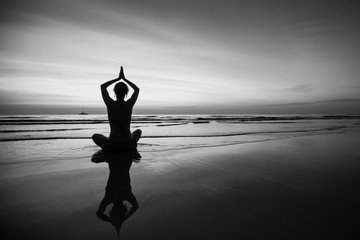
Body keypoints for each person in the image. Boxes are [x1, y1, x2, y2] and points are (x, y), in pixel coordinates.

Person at [92, 66, 141, 158]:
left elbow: (103, 86)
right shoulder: (129, 104)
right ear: (126, 92)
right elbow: (137, 89)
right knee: (138, 131)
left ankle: (107, 145)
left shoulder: (110, 104)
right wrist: (125, 79)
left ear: (114, 91)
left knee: (95, 136)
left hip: (113, 146)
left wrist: (118, 78)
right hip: (129, 145)